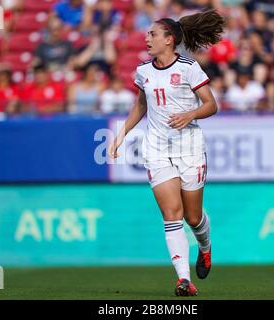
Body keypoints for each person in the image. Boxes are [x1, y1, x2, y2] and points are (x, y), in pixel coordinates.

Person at [108, 10, 225, 296]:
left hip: (190, 149)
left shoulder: (188, 67)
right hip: (158, 150)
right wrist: (119, 137)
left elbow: (211, 105)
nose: (147, 39)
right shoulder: (143, 72)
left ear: (169, 40)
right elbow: (140, 106)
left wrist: (191, 114)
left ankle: (205, 247)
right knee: (172, 214)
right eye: (148, 34)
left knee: (193, 217)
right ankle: (184, 280)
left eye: (153, 34)